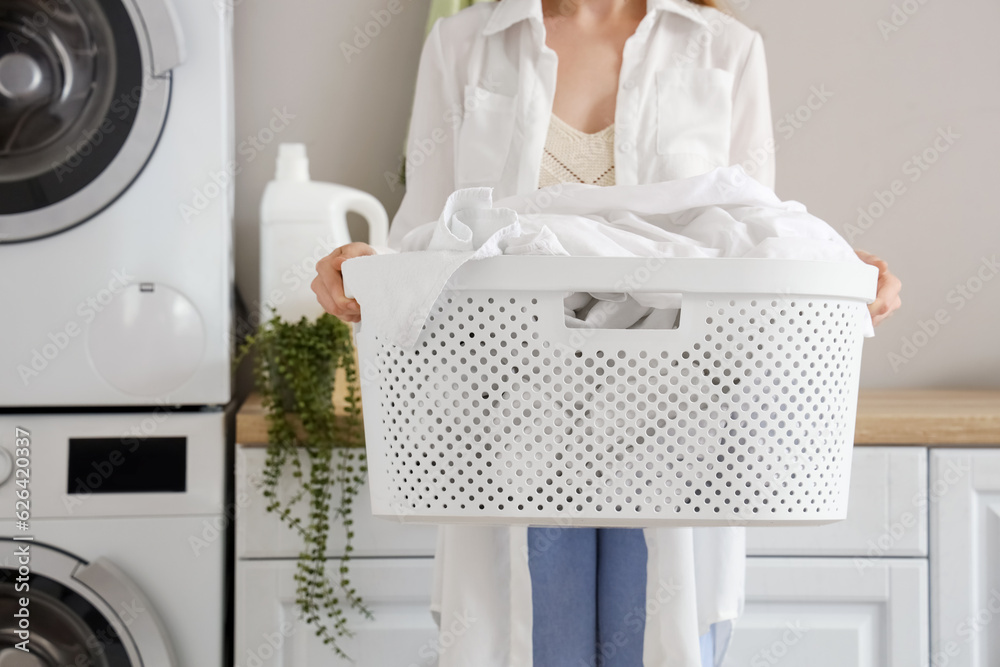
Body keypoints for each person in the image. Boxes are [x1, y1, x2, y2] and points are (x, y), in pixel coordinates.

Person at [312, 1, 903, 665]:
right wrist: (365, 269)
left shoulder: (724, 50)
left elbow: (754, 237)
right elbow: (426, 237)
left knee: (657, 635)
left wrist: (836, 268)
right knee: (532, 640)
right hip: (510, 420)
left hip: (677, 426)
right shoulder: (464, 45)